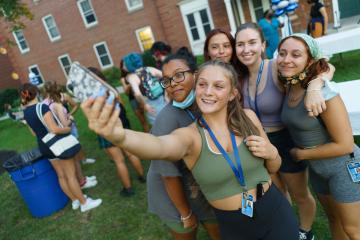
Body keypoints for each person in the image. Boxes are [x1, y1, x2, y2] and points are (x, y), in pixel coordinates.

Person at [82, 60, 299, 240]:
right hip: (235, 224)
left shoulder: (248, 118)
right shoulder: (190, 137)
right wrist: (119, 136)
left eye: (218, 86)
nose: (208, 92)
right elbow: (158, 146)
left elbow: (273, 166)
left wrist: (271, 153)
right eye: (202, 84)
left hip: (274, 208)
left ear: (232, 94)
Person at [234, 22, 335, 240]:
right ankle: (287, 227)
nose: (246, 49)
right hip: (260, 144)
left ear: (263, 45)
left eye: (252, 42)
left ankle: (306, 232)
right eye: (240, 44)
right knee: (278, 194)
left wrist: (316, 87)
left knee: (300, 194)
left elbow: (325, 66)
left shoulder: (275, 67)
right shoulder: (240, 77)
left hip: (285, 141)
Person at [278, 33, 360, 240]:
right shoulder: (290, 85)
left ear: (310, 60)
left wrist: (301, 155)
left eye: (296, 54)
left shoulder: (324, 92)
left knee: (354, 229)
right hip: (318, 171)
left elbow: (346, 145)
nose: (287, 59)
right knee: (334, 219)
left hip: (343, 168)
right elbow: (327, 68)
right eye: (282, 53)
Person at [147, 47, 221, 239]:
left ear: (196, 75)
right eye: (167, 80)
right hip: (171, 193)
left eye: (179, 75)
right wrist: (185, 213)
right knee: (188, 232)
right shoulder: (166, 121)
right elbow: (168, 176)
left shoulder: (204, 103)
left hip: (196, 184)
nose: (172, 84)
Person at [20, 83, 102, 212]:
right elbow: (54, 129)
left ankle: (75, 200)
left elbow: (34, 133)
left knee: (61, 176)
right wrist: (67, 129)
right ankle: (84, 203)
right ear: (36, 93)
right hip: (56, 144)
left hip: (44, 146)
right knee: (70, 175)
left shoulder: (26, 112)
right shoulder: (42, 107)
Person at [88, 67, 146, 197]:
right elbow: (121, 105)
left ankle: (128, 188)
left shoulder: (90, 96)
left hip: (106, 128)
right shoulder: (110, 89)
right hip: (121, 123)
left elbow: (92, 117)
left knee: (119, 160)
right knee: (130, 153)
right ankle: (142, 176)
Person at [42, 81, 98, 191]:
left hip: (57, 135)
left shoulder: (44, 104)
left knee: (73, 160)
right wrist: (70, 119)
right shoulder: (55, 104)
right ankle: (82, 182)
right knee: (74, 160)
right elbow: (64, 123)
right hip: (65, 133)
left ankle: (82, 179)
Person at [122, 53, 166, 125]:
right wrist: (166, 93)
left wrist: (144, 104)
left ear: (129, 65)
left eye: (124, 64)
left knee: (159, 126)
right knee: (170, 120)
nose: (123, 66)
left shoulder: (132, 77)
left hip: (150, 103)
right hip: (163, 99)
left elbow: (137, 94)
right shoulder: (149, 69)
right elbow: (166, 76)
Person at [119, 59, 150, 132]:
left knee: (151, 116)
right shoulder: (123, 79)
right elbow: (126, 93)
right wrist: (131, 84)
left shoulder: (137, 73)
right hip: (133, 100)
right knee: (143, 121)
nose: (126, 66)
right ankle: (149, 135)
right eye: (124, 65)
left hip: (142, 97)